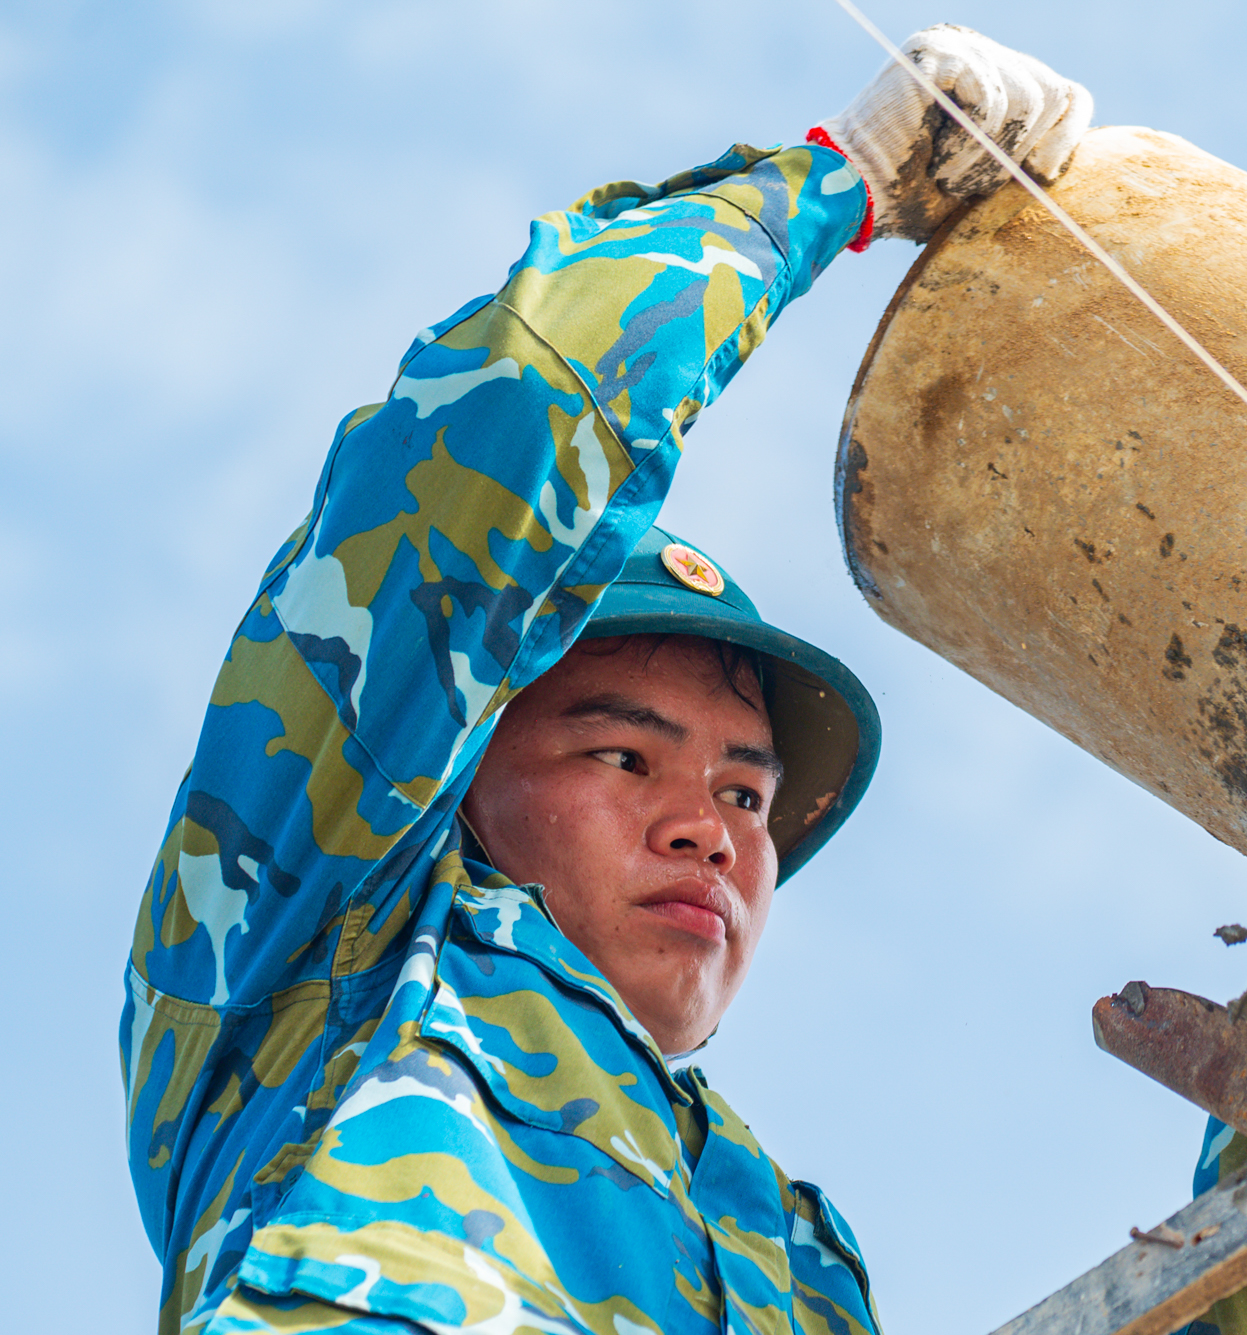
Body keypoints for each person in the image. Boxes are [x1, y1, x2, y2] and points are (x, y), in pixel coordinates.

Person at [122, 26, 1091, 1334]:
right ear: (449, 772)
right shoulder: (317, 950)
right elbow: (515, 418)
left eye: (747, 795)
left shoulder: (792, 1255)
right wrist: (835, 185)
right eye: (625, 756)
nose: (710, 832)